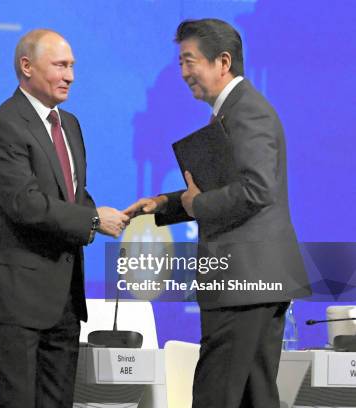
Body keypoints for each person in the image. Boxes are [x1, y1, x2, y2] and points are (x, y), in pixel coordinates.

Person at [125, 18, 310, 408]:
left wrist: (196, 204)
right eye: (180, 63)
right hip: (252, 280)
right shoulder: (235, 111)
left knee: (216, 393)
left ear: (223, 62)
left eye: (189, 61)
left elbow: (257, 189)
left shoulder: (248, 113)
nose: (183, 73)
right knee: (254, 395)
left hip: (244, 281)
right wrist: (166, 204)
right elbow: (223, 185)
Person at [0, 29, 129, 407]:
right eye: (61, 65)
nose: (71, 75)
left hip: (64, 299)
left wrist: (114, 213)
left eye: (73, 66)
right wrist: (94, 221)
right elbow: (26, 204)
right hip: (16, 300)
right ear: (27, 66)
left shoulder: (71, 125)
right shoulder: (3, 125)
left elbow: (71, 195)